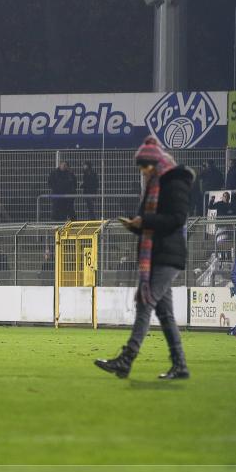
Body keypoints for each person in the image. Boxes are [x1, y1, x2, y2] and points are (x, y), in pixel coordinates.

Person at [95, 137, 192, 380]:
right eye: (141, 166)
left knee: (145, 302)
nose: (143, 171)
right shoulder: (154, 183)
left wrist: (145, 222)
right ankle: (180, 365)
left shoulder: (173, 181)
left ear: (155, 161)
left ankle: (126, 359)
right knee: (165, 313)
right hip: (158, 254)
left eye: (145, 166)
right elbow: (148, 220)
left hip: (168, 255)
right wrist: (135, 226)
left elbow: (178, 218)